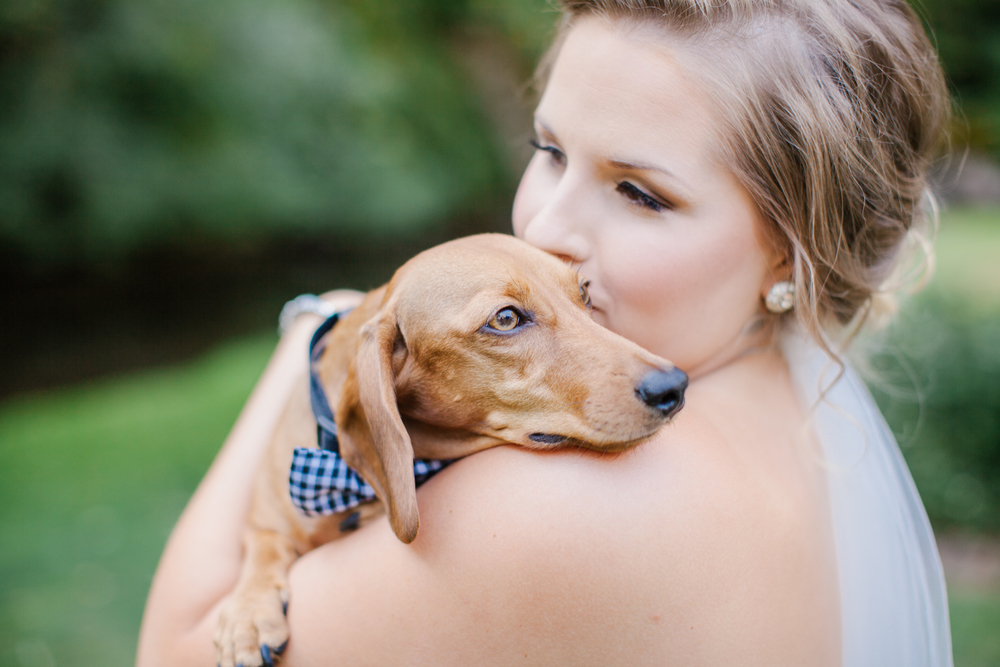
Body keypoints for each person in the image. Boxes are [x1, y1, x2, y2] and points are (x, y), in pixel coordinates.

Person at [136, 0, 953, 664]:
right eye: (550, 149)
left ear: (791, 247)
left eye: (641, 192)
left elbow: (178, 652)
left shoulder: (556, 501)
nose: (548, 226)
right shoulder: (792, 415)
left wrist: (312, 336)